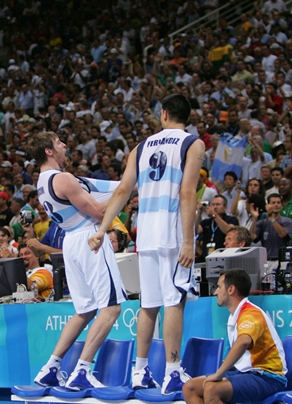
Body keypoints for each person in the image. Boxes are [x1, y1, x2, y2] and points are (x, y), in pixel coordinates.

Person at [89, 93, 205, 394]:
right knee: (174, 301)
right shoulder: (192, 143)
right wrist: (189, 241)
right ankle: (172, 371)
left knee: (148, 304)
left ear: (163, 114)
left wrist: (102, 229)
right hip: (172, 233)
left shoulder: (140, 147)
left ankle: (140, 371)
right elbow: (188, 193)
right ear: (187, 117)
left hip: (147, 234)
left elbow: (122, 191)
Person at [28, 131, 126, 391]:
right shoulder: (63, 178)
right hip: (88, 239)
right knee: (111, 308)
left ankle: (50, 368)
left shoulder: (41, 182)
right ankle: (82, 370)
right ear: (49, 151)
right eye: (59, 142)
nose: (64, 145)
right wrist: (124, 192)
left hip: (70, 241)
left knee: (85, 311)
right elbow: (100, 212)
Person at [182, 269, 287, 404]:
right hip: (244, 374)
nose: (215, 292)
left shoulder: (250, 313)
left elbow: (243, 342)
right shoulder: (234, 317)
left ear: (231, 290)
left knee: (212, 389)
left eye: (219, 287)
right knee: (190, 388)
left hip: (268, 377)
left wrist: (219, 374)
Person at [254, 194, 292, 260]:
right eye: (273, 203)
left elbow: (283, 234)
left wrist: (272, 219)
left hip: (282, 259)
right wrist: (254, 218)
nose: (276, 205)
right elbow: (253, 238)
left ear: (281, 205)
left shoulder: (287, 221)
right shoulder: (263, 223)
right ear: (267, 205)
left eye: (278, 202)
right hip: (266, 259)